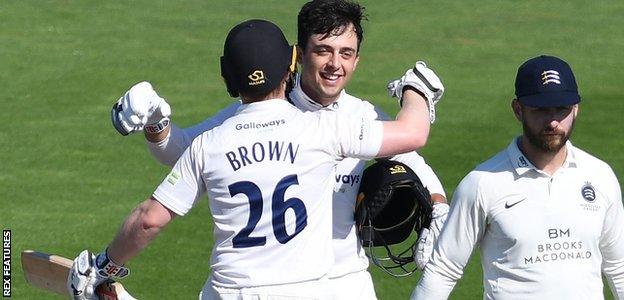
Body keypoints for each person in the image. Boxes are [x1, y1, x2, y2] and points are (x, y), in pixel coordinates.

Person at [69, 19, 444, 300]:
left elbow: (150, 218)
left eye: (345, 52)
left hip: (240, 289)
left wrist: (105, 265)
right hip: (308, 289)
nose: (334, 64)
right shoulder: (328, 130)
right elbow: (413, 132)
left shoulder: (212, 143)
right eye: (323, 50)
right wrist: (417, 89)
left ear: (227, 76)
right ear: (294, 61)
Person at [411, 55, 624, 299]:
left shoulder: (600, 176)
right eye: (541, 109)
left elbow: (618, 268)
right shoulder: (482, 183)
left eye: (561, 109)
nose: (553, 121)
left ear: (575, 109)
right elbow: (443, 271)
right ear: (518, 110)